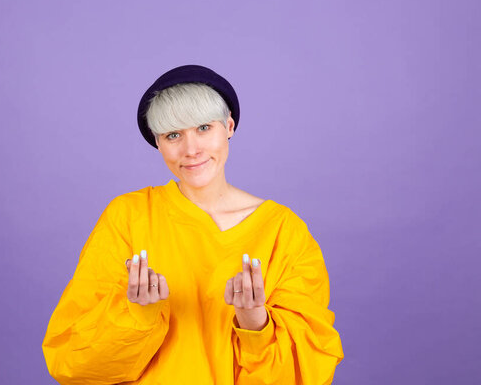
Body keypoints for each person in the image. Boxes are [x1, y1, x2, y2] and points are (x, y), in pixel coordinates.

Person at [42, 65, 344, 384]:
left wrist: (256, 322)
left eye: (203, 128)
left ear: (228, 126)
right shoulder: (128, 217)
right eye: (173, 135)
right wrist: (137, 315)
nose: (191, 150)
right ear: (158, 143)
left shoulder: (284, 232)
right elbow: (74, 364)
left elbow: (305, 373)